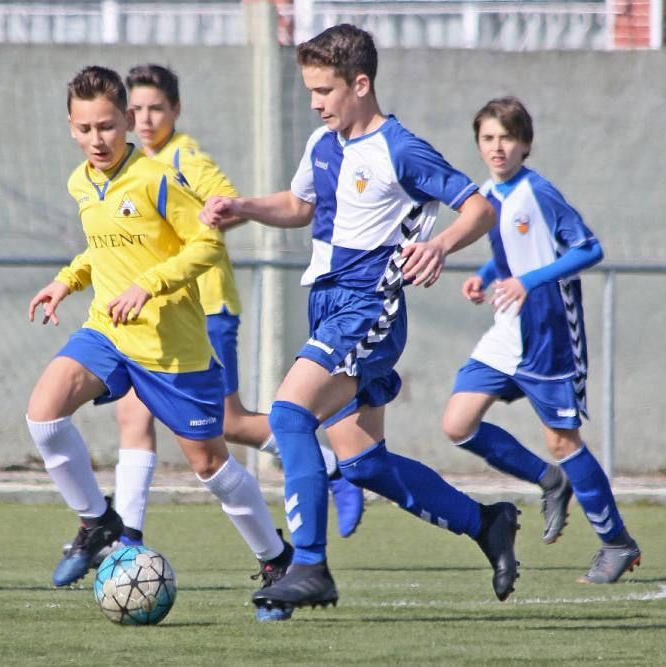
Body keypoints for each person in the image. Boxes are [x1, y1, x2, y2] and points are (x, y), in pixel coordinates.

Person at [201, 25, 521, 618]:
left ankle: (309, 567)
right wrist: (242, 207)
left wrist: (442, 244)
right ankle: (487, 524)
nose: (316, 103)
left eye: (325, 90)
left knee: (290, 413)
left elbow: (479, 205)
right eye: (310, 91)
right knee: (363, 462)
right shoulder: (324, 144)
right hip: (328, 304)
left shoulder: (399, 148)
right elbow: (300, 207)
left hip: (369, 307)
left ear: (361, 83)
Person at [25, 65, 291, 592]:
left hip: (171, 347)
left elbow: (207, 245)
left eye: (105, 126)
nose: (95, 139)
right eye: (84, 129)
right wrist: (65, 282)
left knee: (211, 464)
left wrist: (148, 286)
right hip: (108, 331)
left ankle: (276, 558)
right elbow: (103, 247)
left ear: (126, 120)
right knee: (44, 414)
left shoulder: (156, 178)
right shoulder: (81, 181)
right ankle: (98, 522)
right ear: (71, 128)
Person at [106, 64, 363, 551]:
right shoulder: (132, 167)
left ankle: (333, 469)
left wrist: (197, 231)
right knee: (132, 414)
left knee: (227, 422)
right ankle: (124, 540)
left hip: (204, 307)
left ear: (175, 110)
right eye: (134, 110)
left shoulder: (184, 157)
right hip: (156, 317)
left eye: (155, 108)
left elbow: (223, 205)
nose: (143, 119)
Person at [443, 96, 641, 584]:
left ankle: (616, 542)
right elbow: (513, 254)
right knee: (457, 424)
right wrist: (486, 276)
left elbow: (588, 248)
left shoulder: (539, 192)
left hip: (550, 331)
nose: (497, 147)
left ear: (525, 144)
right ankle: (548, 480)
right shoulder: (487, 195)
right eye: (488, 138)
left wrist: (527, 282)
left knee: (562, 439)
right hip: (508, 328)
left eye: (507, 138)